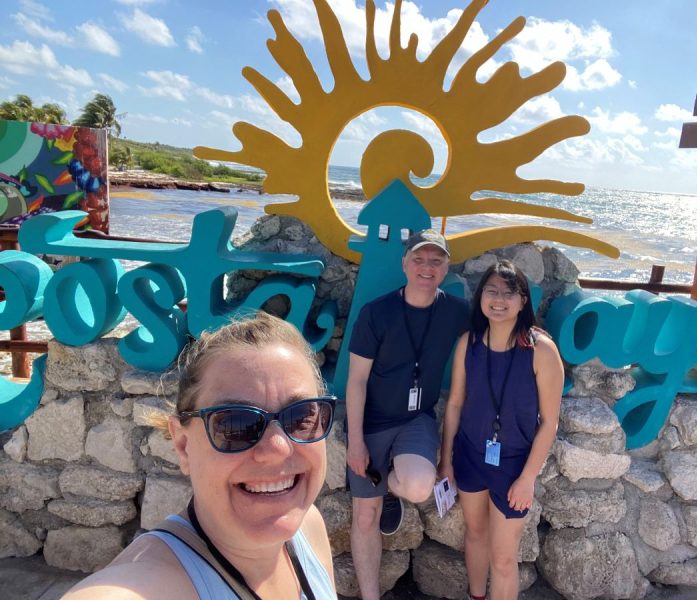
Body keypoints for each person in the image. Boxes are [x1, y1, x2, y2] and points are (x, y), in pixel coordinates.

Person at [64, 314, 338, 600]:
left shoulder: (307, 527)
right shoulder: (147, 586)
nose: (277, 448)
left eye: (302, 417)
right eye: (235, 424)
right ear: (183, 445)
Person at [346, 229, 469, 600]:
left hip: (417, 420)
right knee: (365, 516)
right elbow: (356, 381)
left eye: (436, 260)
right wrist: (355, 443)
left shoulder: (457, 311)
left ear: (446, 267)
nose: (427, 267)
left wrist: (538, 341)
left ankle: (387, 489)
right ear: (404, 264)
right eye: (419, 258)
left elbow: (502, 325)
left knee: (417, 486)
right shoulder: (376, 313)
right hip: (371, 421)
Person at [439, 260, 564, 600]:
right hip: (469, 456)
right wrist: (446, 461)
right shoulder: (469, 343)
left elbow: (550, 423)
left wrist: (527, 478)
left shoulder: (541, 350)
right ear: (480, 298)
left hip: (513, 465)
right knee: (475, 535)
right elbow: (454, 404)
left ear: (523, 301)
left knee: (504, 558)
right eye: (491, 291)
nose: (498, 300)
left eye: (509, 293)